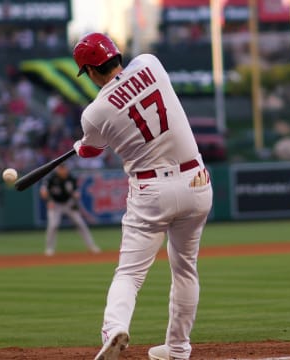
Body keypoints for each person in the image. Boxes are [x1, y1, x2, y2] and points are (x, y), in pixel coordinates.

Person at [71, 33, 213, 360]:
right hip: (196, 181)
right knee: (185, 269)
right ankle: (177, 349)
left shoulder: (94, 112)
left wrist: (80, 146)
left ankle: (114, 328)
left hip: (152, 192)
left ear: (91, 71)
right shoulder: (150, 63)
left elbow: (92, 149)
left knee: (130, 274)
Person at [39, 163, 100, 256]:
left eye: (64, 169)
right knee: (53, 226)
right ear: (58, 170)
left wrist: (75, 198)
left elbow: (76, 192)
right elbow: (43, 192)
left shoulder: (71, 178)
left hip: (68, 203)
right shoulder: (51, 178)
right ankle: (49, 249)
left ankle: (92, 246)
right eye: (61, 169)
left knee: (81, 224)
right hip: (55, 204)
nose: (63, 171)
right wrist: (49, 201)